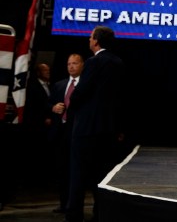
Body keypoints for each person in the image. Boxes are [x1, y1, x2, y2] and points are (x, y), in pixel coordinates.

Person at [67, 26, 126, 222]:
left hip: (86, 130)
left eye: (91, 37)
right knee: (101, 175)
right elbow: (120, 99)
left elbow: (81, 92)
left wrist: (73, 104)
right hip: (107, 130)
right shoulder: (118, 63)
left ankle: (74, 216)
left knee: (78, 175)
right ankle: (100, 215)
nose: (89, 40)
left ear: (97, 41)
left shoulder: (94, 62)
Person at [50, 53, 84, 214]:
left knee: (76, 172)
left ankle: (74, 206)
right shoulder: (59, 85)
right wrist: (53, 108)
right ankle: (64, 204)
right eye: (69, 63)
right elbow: (49, 105)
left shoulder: (86, 85)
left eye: (75, 63)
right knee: (62, 170)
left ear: (82, 65)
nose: (71, 66)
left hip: (79, 134)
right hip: (60, 133)